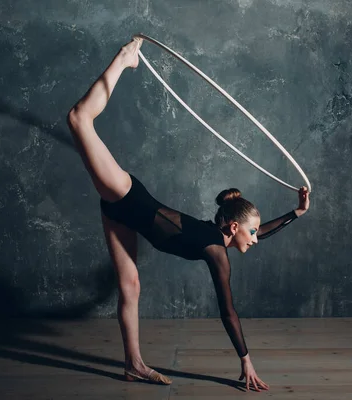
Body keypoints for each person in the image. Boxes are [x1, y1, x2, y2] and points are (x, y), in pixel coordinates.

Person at [67, 37, 310, 392]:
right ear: (234, 226)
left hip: (122, 216)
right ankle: (123, 59)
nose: (257, 238)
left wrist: (296, 213)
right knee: (79, 119)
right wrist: (245, 359)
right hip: (127, 196)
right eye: (253, 232)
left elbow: (264, 231)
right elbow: (228, 311)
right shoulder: (216, 251)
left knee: (130, 286)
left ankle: (133, 364)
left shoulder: (220, 238)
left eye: (256, 233)